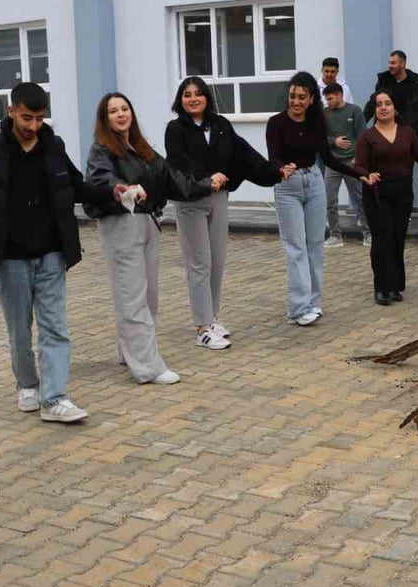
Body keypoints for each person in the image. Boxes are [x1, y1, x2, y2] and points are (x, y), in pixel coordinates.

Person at [0, 83, 115, 422]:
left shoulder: (53, 146)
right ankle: (26, 383)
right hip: (10, 254)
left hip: (52, 252)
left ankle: (55, 398)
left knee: (55, 326)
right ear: (11, 110)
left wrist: (115, 192)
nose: (32, 125)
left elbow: (75, 186)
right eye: (26, 117)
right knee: (19, 328)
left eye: (39, 118)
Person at [86, 93, 208, 382]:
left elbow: (172, 180)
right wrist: (124, 188)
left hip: (148, 223)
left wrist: (206, 183)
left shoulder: (141, 149)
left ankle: (129, 351)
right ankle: (147, 367)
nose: (120, 114)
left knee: (148, 295)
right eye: (113, 111)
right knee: (132, 296)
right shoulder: (101, 150)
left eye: (124, 108)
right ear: (105, 119)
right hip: (122, 224)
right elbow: (102, 179)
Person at [165, 76, 286, 350]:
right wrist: (207, 178)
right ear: (180, 100)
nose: (192, 99)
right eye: (187, 94)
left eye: (198, 94)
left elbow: (244, 154)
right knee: (200, 263)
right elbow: (179, 161)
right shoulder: (175, 129)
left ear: (207, 97)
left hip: (219, 199)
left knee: (217, 261)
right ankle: (202, 327)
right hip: (191, 201)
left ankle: (212, 317)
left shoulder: (220, 125)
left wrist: (274, 172)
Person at [266, 72, 363, 325]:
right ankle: (298, 309)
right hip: (288, 186)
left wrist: (358, 173)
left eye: (301, 97)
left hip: (314, 183)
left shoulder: (316, 122)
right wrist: (280, 168)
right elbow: (273, 156)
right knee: (295, 247)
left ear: (311, 99)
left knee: (314, 245)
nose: (296, 102)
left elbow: (328, 158)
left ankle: (313, 303)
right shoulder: (275, 123)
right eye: (292, 97)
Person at [355, 91, 418, 304]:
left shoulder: (407, 132)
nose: (383, 107)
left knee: (397, 239)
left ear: (394, 108)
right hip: (377, 194)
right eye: (379, 104)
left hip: (402, 194)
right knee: (382, 240)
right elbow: (359, 165)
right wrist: (367, 175)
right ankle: (381, 287)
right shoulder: (367, 136)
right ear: (374, 110)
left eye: (388, 103)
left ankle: (394, 286)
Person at [321, 82, 369, 247]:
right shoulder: (324, 114)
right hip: (332, 164)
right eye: (326, 99)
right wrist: (334, 141)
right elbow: (319, 138)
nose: (328, 102)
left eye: (330, 99)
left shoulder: (354, 111)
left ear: (340, 95)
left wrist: (358, 158)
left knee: (360, 198)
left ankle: (368, 234)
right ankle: (335, 236)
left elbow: (363, 137)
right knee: (329, 200)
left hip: (352, 163)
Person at [363, 51, 418, 137]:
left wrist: (416, 132)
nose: (390, 66)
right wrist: (360, 123)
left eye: (393, 63)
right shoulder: (384, 82)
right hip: (383, 132)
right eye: (389, 63)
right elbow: (372, 104)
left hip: (406, 134)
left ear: (402, 64)